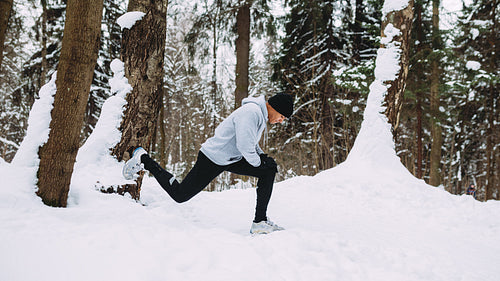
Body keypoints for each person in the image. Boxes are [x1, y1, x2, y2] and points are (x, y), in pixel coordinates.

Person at [122, 93, 294, 235]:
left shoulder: (259, 115)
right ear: (274, 107)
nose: (281, 120)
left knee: (268, 170)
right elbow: (244, 145)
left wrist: (262, 157)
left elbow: (250, 143)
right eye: (282, 116)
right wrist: (259, 163)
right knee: (180, 195)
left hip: (230, 158)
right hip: (213, 157)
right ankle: (143, 159)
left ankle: (260, 222)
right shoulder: (251, 112)